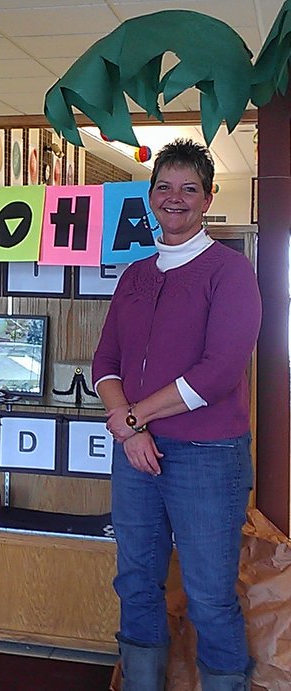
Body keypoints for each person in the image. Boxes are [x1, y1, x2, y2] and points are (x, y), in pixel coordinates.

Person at [92, 139, 261, 691]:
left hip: (208, 457)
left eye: (190, 189)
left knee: (210, 594)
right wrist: (130, 427)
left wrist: (133, 419)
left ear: (208, 199)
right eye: (164, 187)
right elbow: (105, 362)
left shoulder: (230, 272)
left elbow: (219, 372)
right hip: (135, 455)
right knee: (136, 582)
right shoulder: (135, 275)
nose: (175, 198)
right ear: (150, 196)